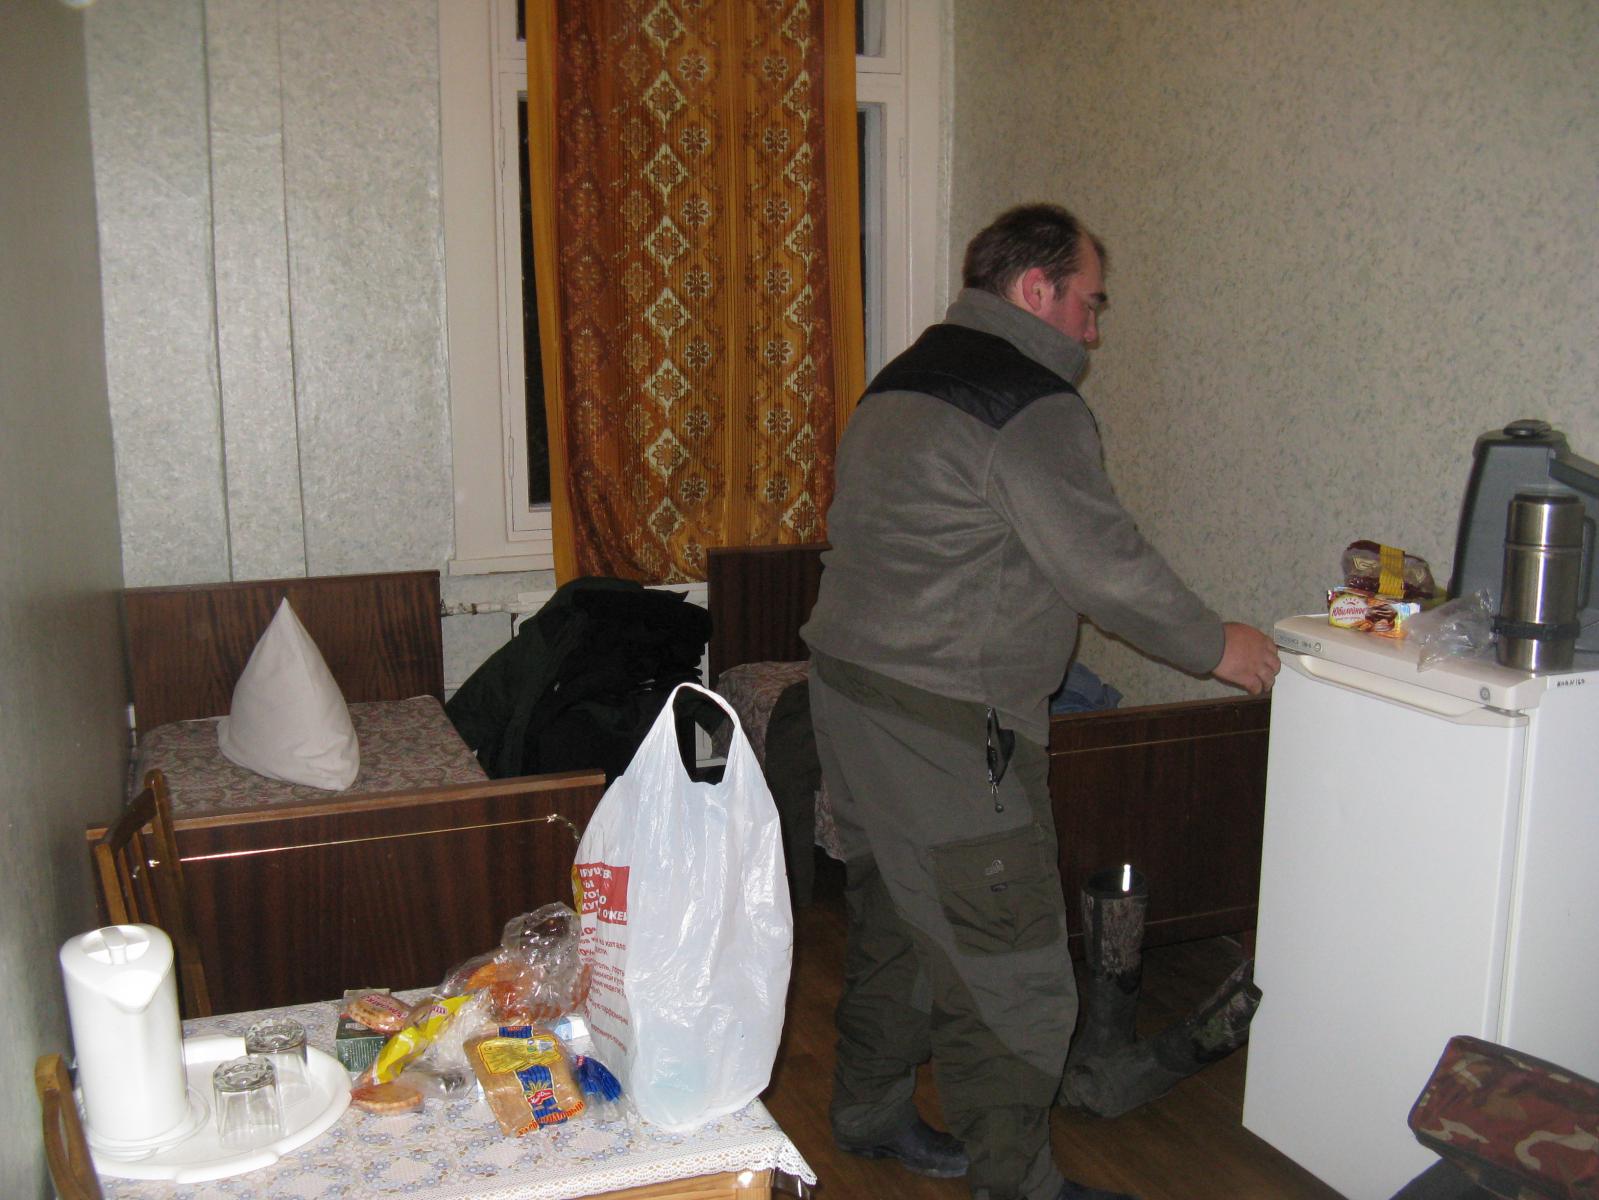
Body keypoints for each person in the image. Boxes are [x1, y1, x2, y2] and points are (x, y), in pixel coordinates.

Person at [799, 202, 1280, 1200]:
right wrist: (1215, 645)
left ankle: (869, 1113)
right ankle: (1018, 1184)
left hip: (845, 692)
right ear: (1036, 290)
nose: (1094, 330)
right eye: (1089, 303)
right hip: (944, 721)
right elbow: (1105, 565)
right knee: (1006, 961)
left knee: (899, 919)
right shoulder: (1028, 403)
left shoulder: (901, 379)